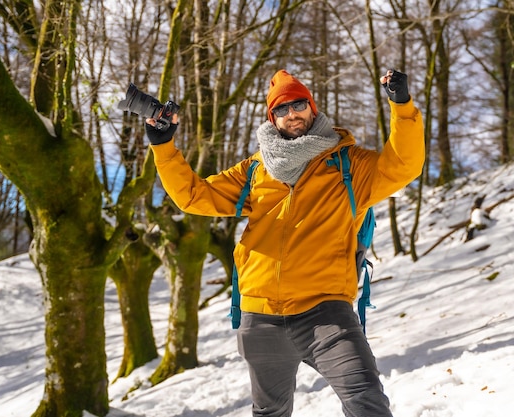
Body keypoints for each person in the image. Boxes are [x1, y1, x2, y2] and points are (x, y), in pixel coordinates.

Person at [145, 69, 425, 417]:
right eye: (281, 109)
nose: (291, 114)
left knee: (365, 400)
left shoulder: (349, 165)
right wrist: (163, 146)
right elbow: (193, 195)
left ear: (312, 107)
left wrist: (402, 107)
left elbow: (404, 165)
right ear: (272, 118)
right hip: (261, 317)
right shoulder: (255, 171)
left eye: (298, 104)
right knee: (269, 413)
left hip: (326, 311)